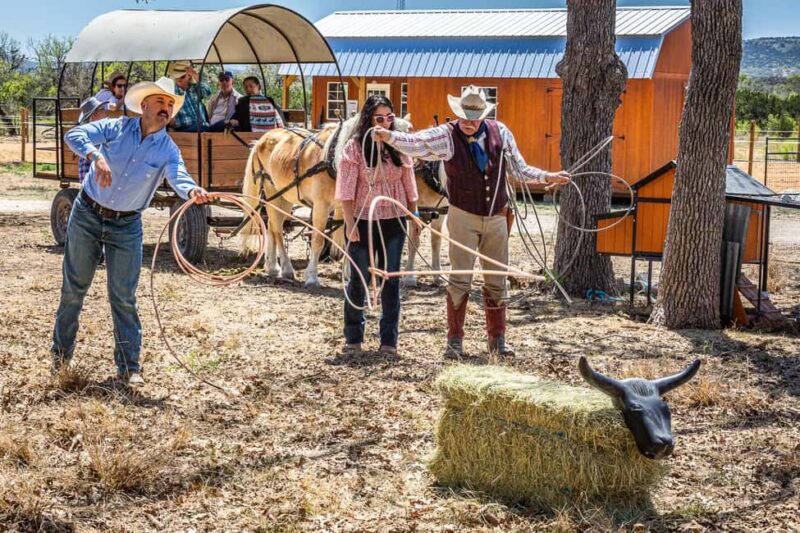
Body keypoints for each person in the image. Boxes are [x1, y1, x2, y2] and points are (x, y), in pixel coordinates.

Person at [373, 85, 570, 359]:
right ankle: (454, 341)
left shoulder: (500, 132)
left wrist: (548, 177)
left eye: (473, 117)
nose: (467, 122)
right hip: (462, 216)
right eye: (464, 116)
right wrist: (389, 135)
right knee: (460, 277)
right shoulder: (447, 135)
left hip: (497, 216)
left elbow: (519, 169)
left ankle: (497, 340)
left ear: (483, 116)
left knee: (496, 277)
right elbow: (417, 143)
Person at [53, 76, 210, 385]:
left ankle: (129, 368)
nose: (166, 108)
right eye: (160, 102)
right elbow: (75, 134)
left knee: (123, 296)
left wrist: (192, 191)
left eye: (170, 104)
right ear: (144, 105)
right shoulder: (116, 128)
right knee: (74, 290)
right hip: (87, 212)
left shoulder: (167, 148)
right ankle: (60, 359)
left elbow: (179, 176)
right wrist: (96, 156)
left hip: (126, 225)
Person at [336, 95, 419, 356]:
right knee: (359, 279)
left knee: (391, 280)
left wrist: (414, 216)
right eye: (379, 118)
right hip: (362, 220)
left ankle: (389, 342)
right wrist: (349, 224)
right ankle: (353, 338)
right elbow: (346, 191)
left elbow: (409, 185)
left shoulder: (399, 146)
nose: (385, 123)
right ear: (369, 120)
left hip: (394, 220)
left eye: (389, 118)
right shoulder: (355, 148)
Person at [168, 61, 212, 132]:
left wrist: (196, 75)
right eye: (176, 76)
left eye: (182, 76)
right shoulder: (172, 93)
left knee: (222, 126)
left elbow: (208, 92)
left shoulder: (195, 88)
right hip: (184, 129)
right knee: (204, 128)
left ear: (189, 76)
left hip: (202, 126)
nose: (178, 79)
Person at [76, 97, 110, 183]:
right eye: (102, 109)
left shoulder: (100, 134)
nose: (106, 111)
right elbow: (85, 174)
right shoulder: (91, 138)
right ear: (94, 115)